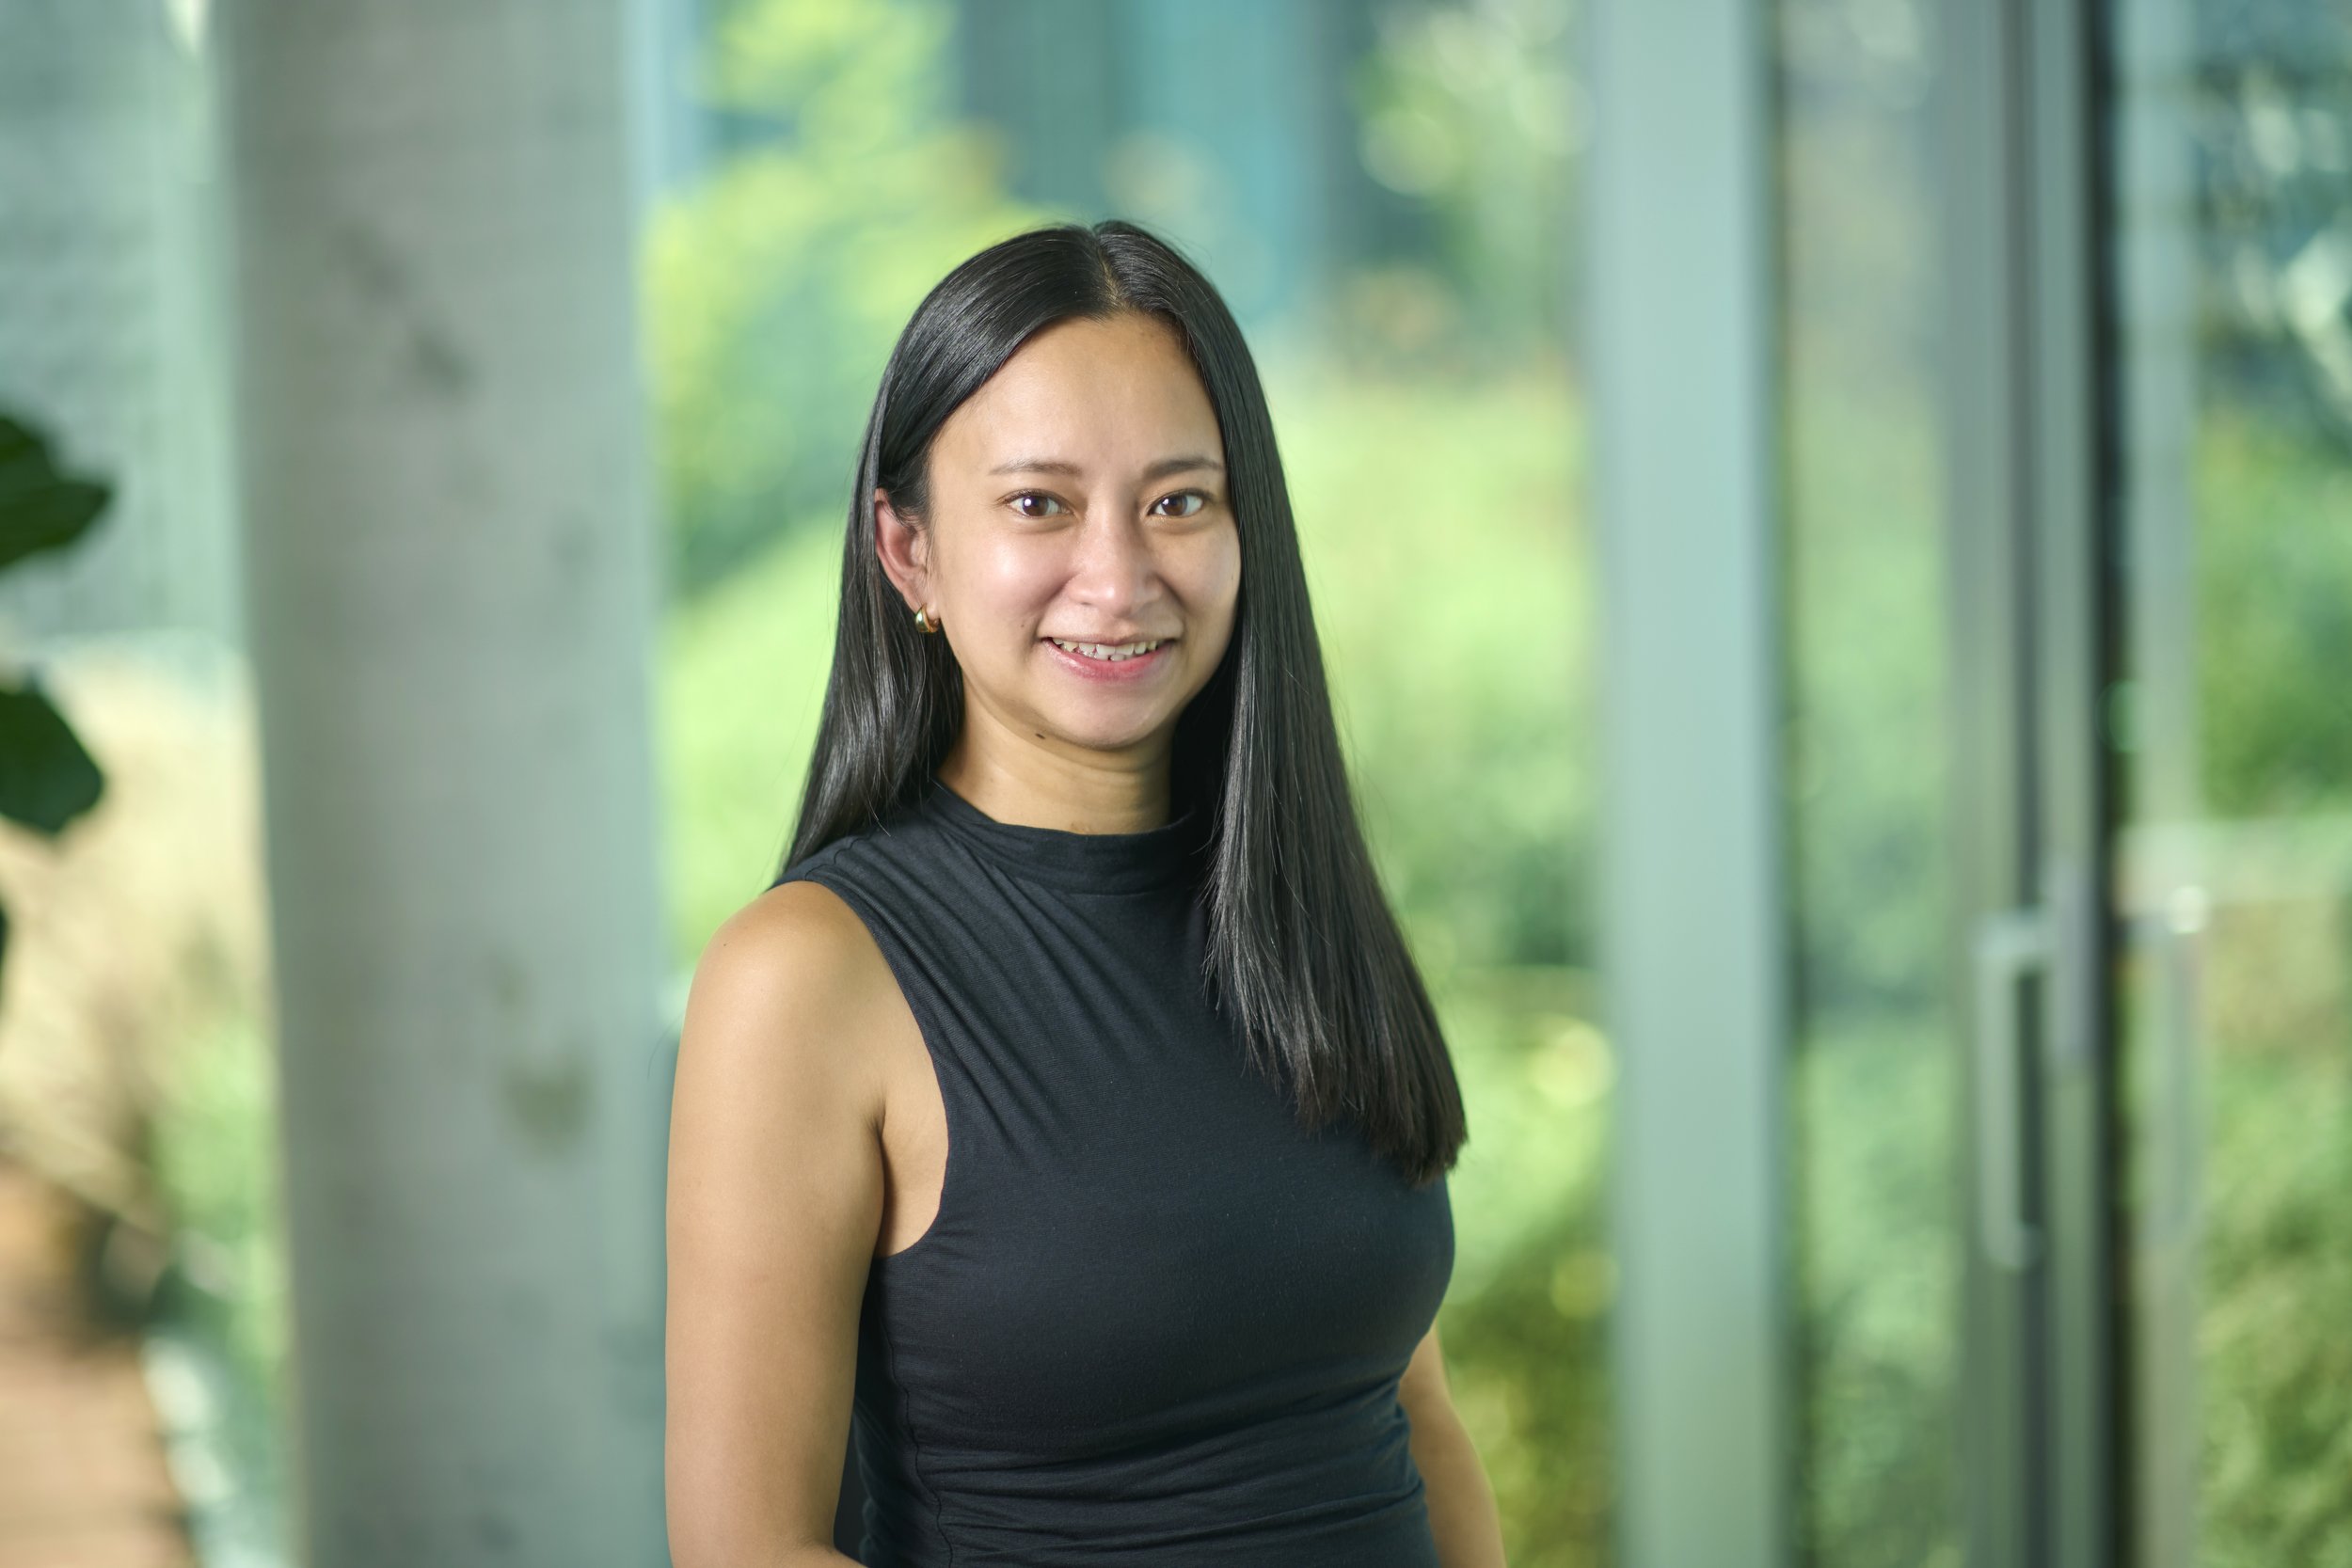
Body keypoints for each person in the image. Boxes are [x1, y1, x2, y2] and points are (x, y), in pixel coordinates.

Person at [664, 218, 1506, 1568]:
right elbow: (747, 1549)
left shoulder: (1293, 901)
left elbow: (1414, 1411)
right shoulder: (808, 977)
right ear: (909, 552)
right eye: (1039, 504)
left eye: (1178, 501)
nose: (1118, 580)